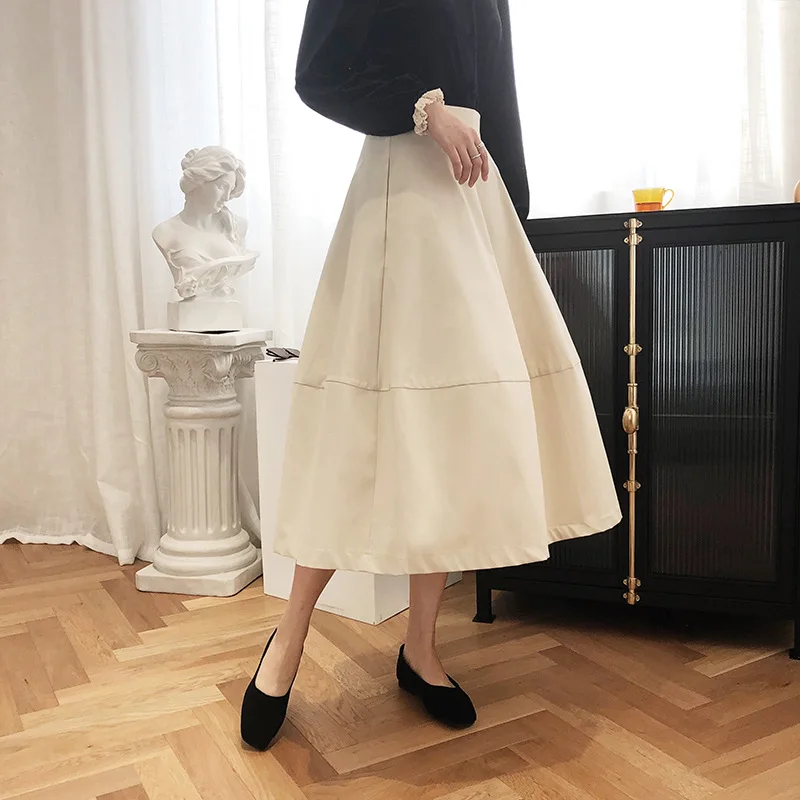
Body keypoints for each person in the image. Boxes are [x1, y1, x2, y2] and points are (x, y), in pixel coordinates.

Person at [241, 0, 622, 751]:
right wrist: (425, 110)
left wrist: (512, 218)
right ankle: (287, 640)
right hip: (401, 198)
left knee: (450, 434)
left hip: (474, 206)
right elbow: (320, 75)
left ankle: (420, 649)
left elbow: (499, 93)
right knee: (360, 435)